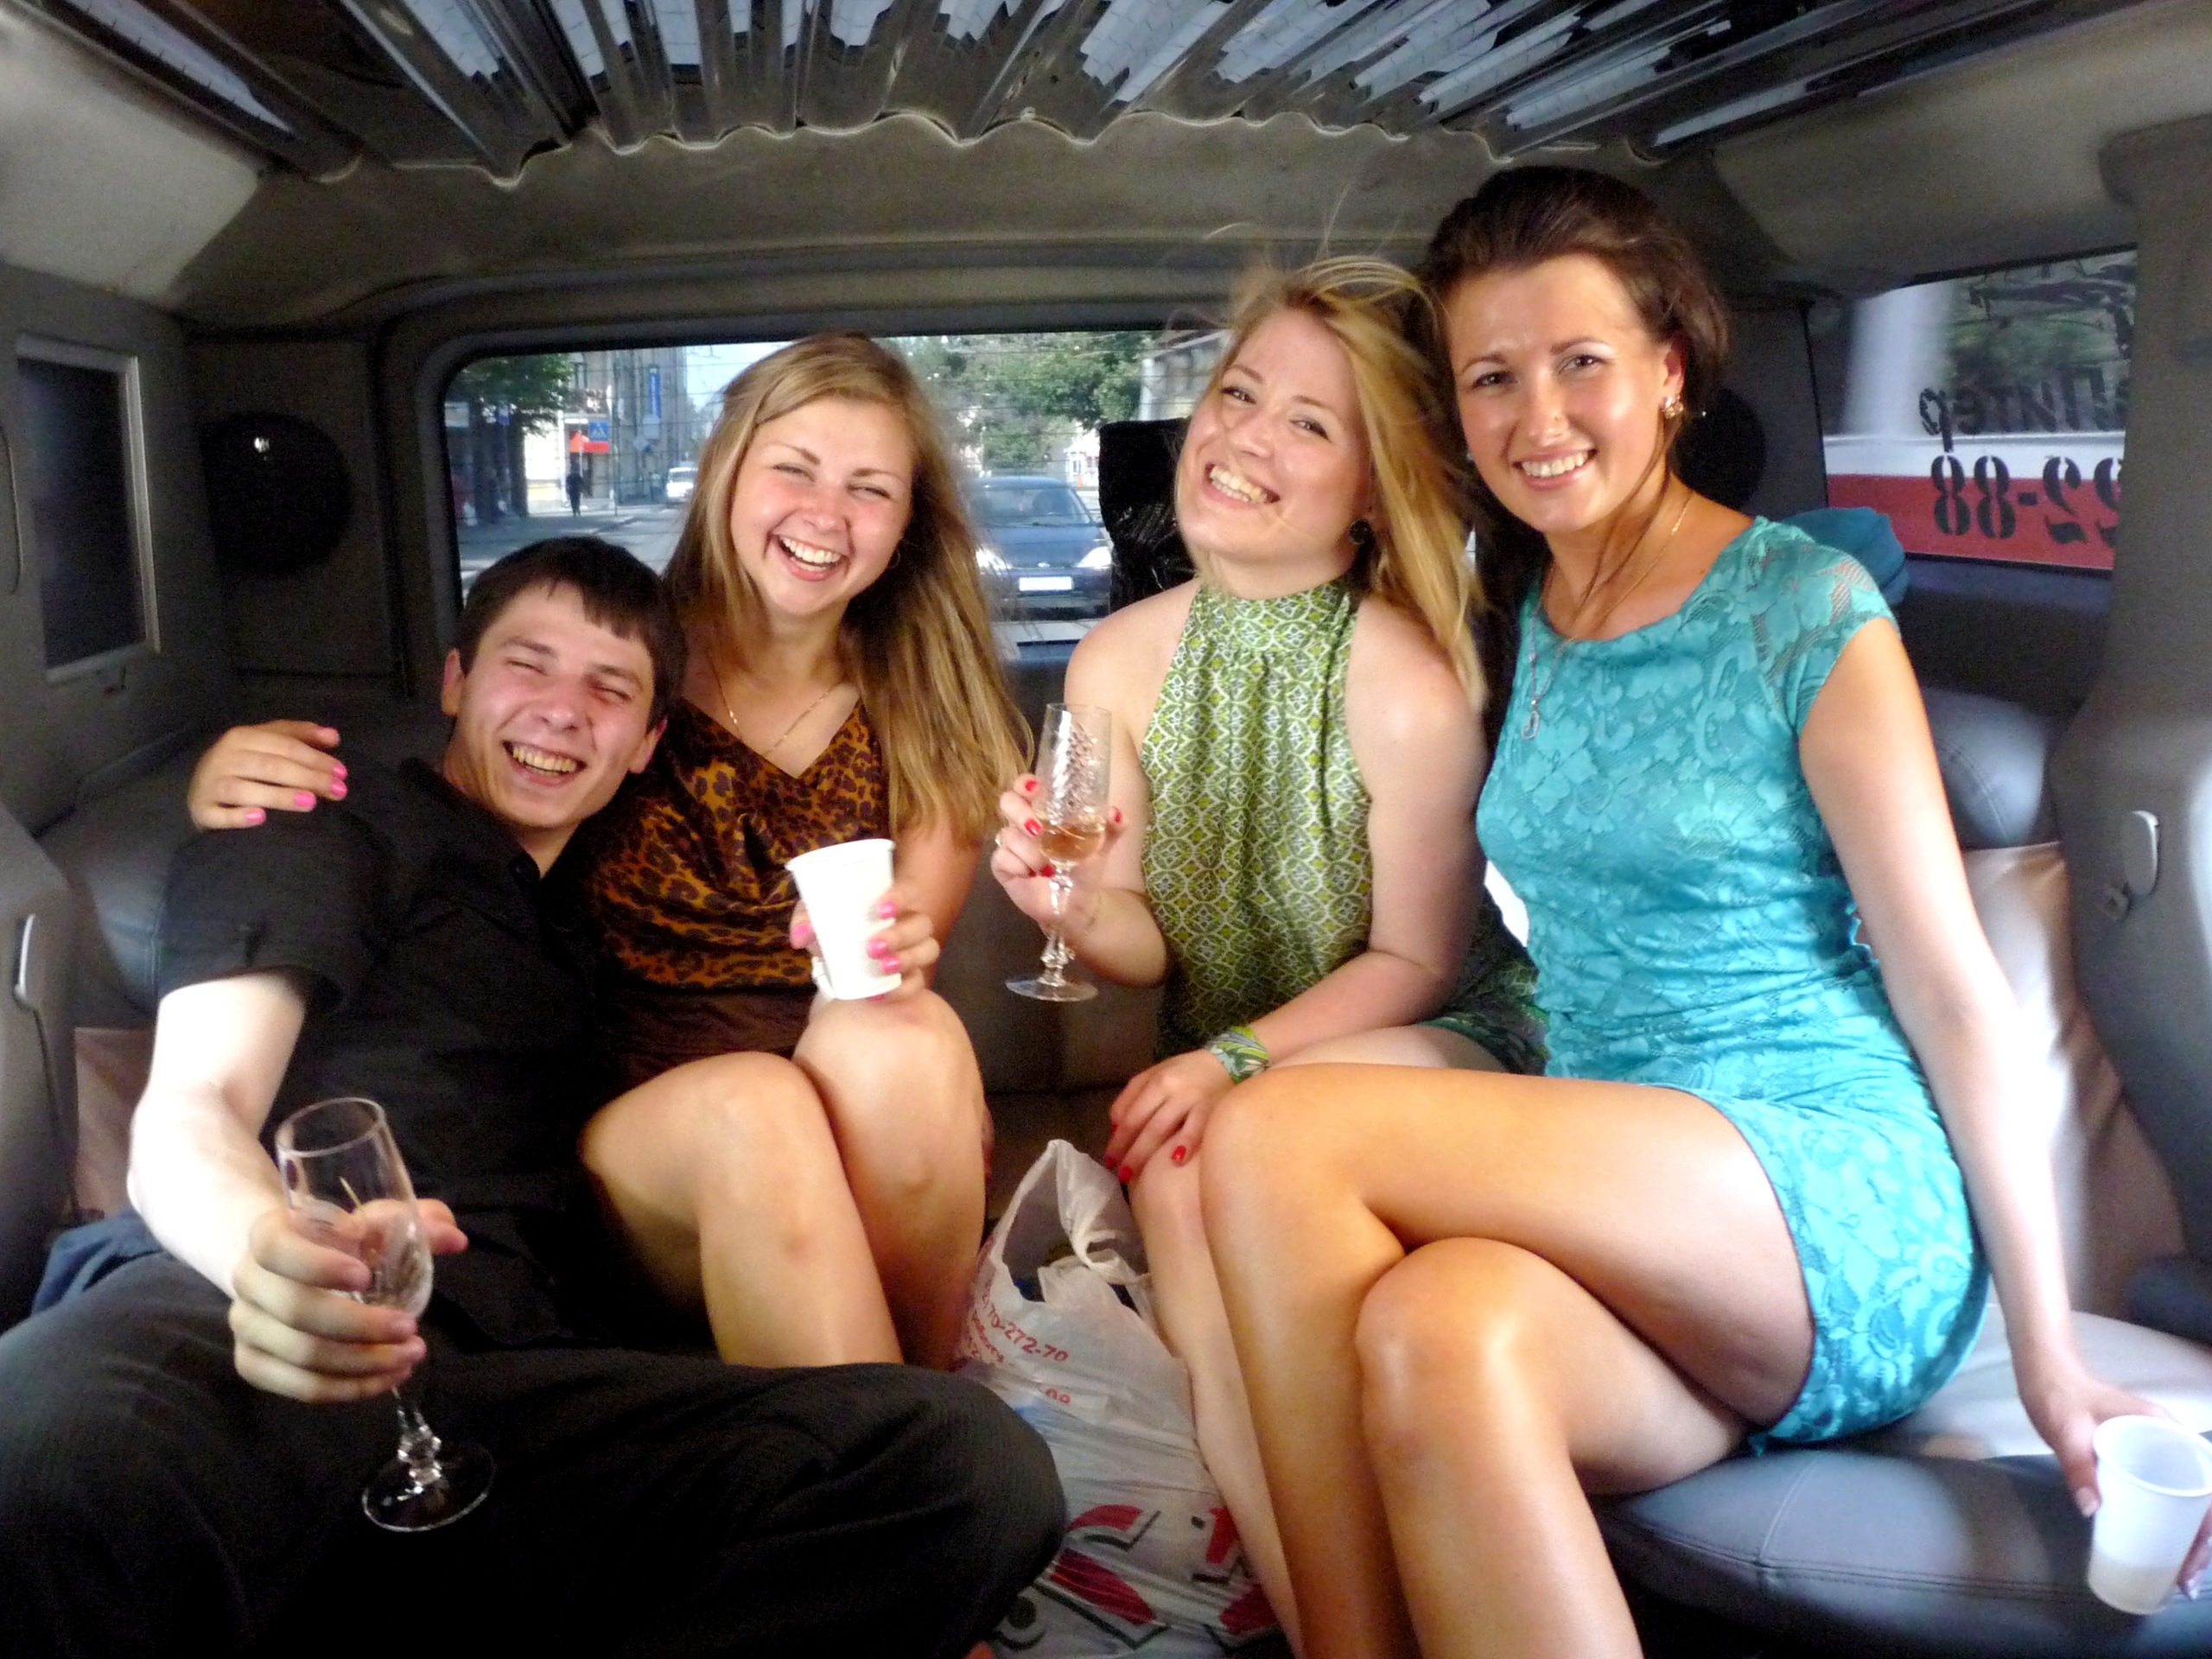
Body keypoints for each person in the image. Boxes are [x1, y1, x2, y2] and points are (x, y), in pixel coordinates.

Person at [1198, 166, 2196, 1658]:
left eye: (1580, 361)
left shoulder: (1801, 607)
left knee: (1274, 1130)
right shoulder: (1524, 612)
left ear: (1669, 372)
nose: (1539, 417)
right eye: (1492, 378)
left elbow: (1950, 991)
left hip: (1824, 1190)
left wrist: (2046, 1353)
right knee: (1437, 1330)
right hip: (1634, 1185)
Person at [0, 537, 1064, 1657]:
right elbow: (192, 1108)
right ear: (455, 682)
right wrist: (264, 1252)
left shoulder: (595, 906)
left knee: (968, 1468)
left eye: (610, 689)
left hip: (512, 1371)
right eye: (528, 664)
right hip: (242, 1310)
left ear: (646, 743)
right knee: (50, 1457)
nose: (562, 711)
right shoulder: (331, 822)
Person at [189, 337, 1027, 1373]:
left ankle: (935, 1400)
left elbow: (902, 960)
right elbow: (474, 795)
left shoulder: (930, 701)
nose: (825, 515)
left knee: (904, 1036)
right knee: (754, 1106)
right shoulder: (624, 665)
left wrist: (902, 955)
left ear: (906, 525)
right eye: (795, 469)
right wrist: (237, 773)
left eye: (870, 489)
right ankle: (887, 1438)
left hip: (849, 1098)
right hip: (631, 1140)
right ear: (725, 473)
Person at [988, 258, 1546, 1648]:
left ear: (1375, 489)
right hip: (1236, 1064)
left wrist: (1235, 1058)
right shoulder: (1115, 660)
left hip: (1435, 1032)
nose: (1243, 440)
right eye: (1238, 396)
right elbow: (1140, 942)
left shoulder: (1405, 683)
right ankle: (1325, 1623)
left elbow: (1418, 960)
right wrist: (1067, 907)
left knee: (1226, 1142)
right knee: (1182, 1180)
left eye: (1310, 424)